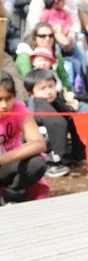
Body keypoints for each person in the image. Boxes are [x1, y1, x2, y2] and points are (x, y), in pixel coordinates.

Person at [24, 69, 88, 178]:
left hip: (54, 141)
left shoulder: (55, 102)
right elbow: (55, 123)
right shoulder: (37, 105)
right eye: (42, 88)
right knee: (55, 124)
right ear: (31, 93)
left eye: (51, 86)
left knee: (72, 117)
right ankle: (52, 163)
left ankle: (76, 154)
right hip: (37, 145)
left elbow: (71, 115)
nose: (48, 91)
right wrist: (59, 155)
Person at [0, 71, 47, 205]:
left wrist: (3, 159)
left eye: (8, 98)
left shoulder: (18, 108)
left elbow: (38, 143)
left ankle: (12, 196)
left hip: (9, 164)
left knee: (36, 163)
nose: (4, 105)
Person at [15, 22, 72, 93]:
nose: (47, 38)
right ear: (34, 37)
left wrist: (65, 91)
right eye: (42, 36)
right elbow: (27, 82)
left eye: (51, 35)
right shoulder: (25, 55)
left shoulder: (56, 56)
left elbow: (64, 80)